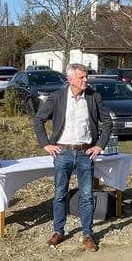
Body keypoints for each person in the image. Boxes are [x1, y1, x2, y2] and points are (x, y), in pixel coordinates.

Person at [31, 63, 112, 251]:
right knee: (60, 194)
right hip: (62, 152)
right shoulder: (57, 97)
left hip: (85, 153)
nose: (86, 80)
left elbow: (107, 122)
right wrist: (45, 143)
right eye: (82, 77)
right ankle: (59, 231)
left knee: (86, 196)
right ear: (70, 79)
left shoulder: (94, 97)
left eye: (86, 77)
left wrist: (99, 145)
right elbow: (38, 119)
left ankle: (87, 234)